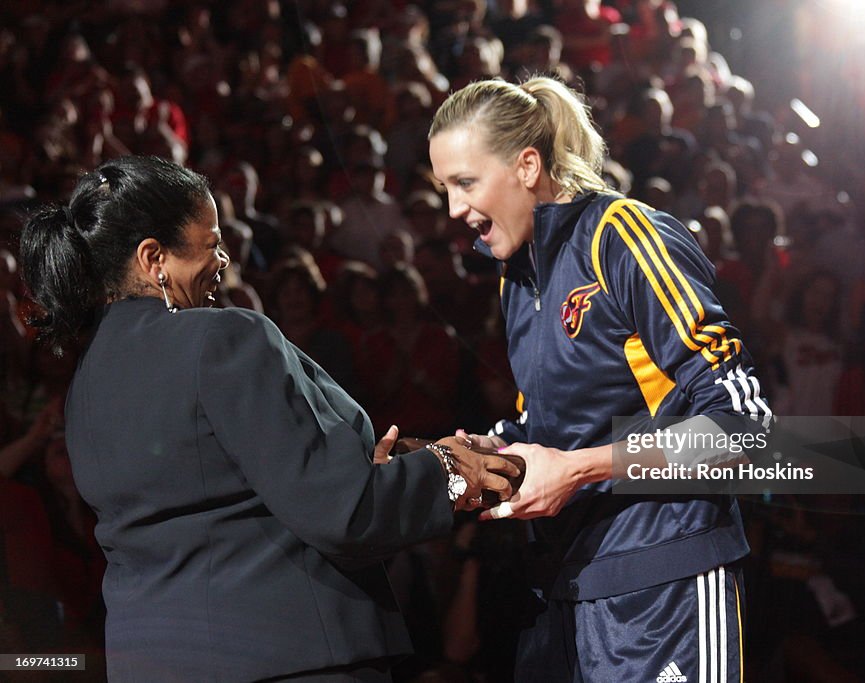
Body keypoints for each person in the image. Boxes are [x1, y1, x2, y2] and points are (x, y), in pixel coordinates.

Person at [18, 155, 521, 683]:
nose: (224, 260)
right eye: (212, 244)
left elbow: (217, 488)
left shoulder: (84, 382)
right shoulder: (222, 340)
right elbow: (341, 511)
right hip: (288, 656)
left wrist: (375, 463)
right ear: (154, 258)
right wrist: (447, 470)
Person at [429, 77, 770, 683]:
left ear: (527, 165)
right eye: (444, 190)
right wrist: (484, 452)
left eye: (465, 183)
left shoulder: (624, 237)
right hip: (566, 589)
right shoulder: (517, 273)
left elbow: (743, 430)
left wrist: (580, 469)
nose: (454, 210)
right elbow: (555, 424)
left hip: (669, 583)